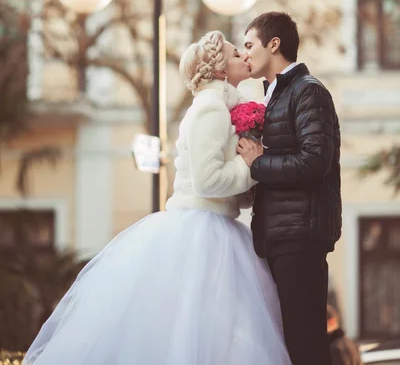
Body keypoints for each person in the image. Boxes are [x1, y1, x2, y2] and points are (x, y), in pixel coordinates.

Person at [23, 31, 291, 365]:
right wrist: (250, 165)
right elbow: (208, 182)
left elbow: (227, 183)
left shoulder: (221, 106)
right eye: (236, 54)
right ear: (221, 69)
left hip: (219, 223)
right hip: (203, 229)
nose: (244, 57)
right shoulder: (210, 109)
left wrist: (251, 174)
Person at [238, 12, 342, 365]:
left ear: (274, 44)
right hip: (278, 236)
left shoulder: (307, 91)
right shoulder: (274, 96)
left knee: (306, 345)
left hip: (300, 236)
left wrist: (258, 163)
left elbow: (315, 163)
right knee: (289, 345)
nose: (245, 54)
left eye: (249, 45)